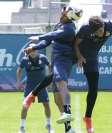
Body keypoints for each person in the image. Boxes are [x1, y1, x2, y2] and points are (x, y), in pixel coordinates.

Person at [24, 5, 83, 133]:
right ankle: (69, 128)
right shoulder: (59, 24)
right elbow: (48, 41)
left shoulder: (69, 28)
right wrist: (34, 47)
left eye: (65, 10)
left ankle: (67, 112)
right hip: (56, 59)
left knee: (61, 81)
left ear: (68, 14)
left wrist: (39, 37)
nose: (62, 10)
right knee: (57, 99)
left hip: (64, 60)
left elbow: (55, 34)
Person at [16, 43, 53, 133]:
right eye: (31, 49)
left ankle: (49, 125)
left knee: (46, 104)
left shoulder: (43, 58)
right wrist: (18, 82)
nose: (33, 51)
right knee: (25, 106)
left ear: (37, 49)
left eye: (34, 49)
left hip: (42, 86)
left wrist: (50, 80)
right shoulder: (25, 59)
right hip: (30, 87)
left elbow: (50, 66)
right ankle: (22, 127)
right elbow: (19, 70)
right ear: (28, 50)